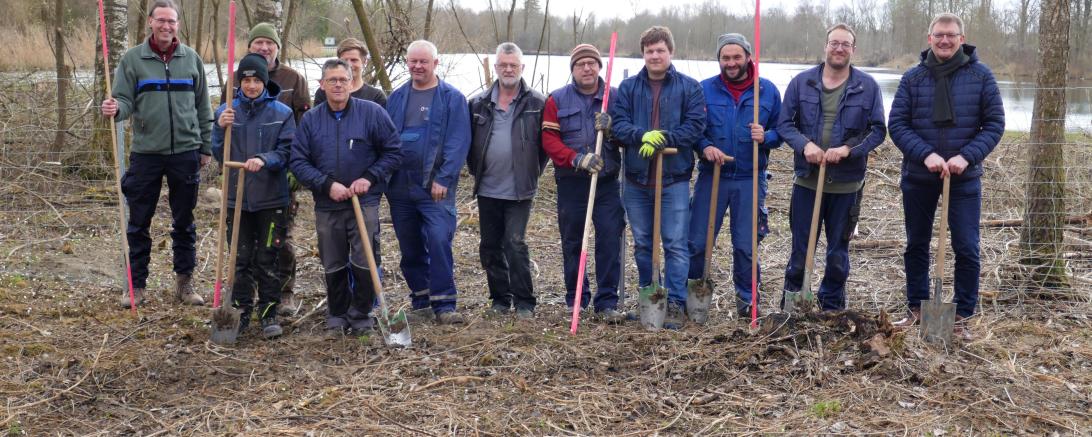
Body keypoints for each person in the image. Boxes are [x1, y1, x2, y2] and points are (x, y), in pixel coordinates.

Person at [889, 13, 1004, 339]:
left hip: (964, 178)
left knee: (967, 246)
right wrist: (926, 154)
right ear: (929, 39)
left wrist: (965, 157)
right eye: (939, 35)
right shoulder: (912, 78)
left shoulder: (981, 76)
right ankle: (918, 308)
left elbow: (994, 124)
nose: (944, 40)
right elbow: (897, 124)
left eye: (951, 35)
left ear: (961, 38)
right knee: (917, 244)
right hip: (919, 176)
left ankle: (961, 315)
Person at [101, 0, 211, 308]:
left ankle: (185, 283)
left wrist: (206, 146)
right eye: (161, 20)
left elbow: (203, 106)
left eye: (172, 21)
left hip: (186, 152)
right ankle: (136, 286)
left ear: (178, 24)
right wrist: (115, 108)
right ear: (150, 22)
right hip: (147, 153)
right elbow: (123, 101)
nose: (166, 26)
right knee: (139, 222)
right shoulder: (133, 60)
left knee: (185, 221)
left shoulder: (191, 59)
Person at [776, 24, 887, 312]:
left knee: (838, 253)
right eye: (834, 43)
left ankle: (832, 309)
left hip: (847, 185)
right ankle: (793, 307)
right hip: (807, 182)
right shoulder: (802, 83)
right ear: (825, 46)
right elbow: (785, 124)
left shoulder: (867, 87)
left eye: (845, 44)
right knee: (801, 251)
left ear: (853, 49)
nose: (839, 48)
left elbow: (877, 130)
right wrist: (804, 145)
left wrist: (849, 149)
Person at [288, 59, 403, 336]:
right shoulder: (312, 120)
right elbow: (298, 160)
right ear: (322, 85)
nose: (338, 85)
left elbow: (393, 151)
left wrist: (370, 178)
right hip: (328, 203)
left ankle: (361, 314)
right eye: (332, 80)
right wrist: (326, 185)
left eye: (343, 79)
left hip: (363, 201)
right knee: (333, 259)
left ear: (352, 83)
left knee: (364, 257)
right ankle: (337, 314)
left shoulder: (372, 113)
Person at [609, 26, 706, 328]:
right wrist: (642, 135)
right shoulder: (627, 88)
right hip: (636, 181)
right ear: (643, 54)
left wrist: (663, 138)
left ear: (670, 52)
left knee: (675, 244)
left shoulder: (689, 87)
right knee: (642, 243)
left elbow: (695, 126)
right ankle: (652, 295)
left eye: (660, 50)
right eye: (649, 51)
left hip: (673, 180)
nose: (654, 55)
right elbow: (618, 126)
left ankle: (675, 303)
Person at [687, 33, 783, 318]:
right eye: (725, 57)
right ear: (719, 59)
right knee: (697, 241)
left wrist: (766, 136)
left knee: (745, 244)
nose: (731, 63)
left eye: (736, 57)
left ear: (748, 57)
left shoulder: (766, 91)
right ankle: (692, 297)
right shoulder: (703, 90)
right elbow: (694, 131)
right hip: (712, 176)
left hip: (750, 178)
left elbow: (783, 131)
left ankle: (747, 301)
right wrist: (705, 147)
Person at [225, 22, 313, 315]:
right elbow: (224, 133)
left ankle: (283, 294)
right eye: (258, 42)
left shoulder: (293, 79)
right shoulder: (236, 78)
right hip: (243, 177)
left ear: (277, 47)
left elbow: (305, 124)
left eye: (269, 43)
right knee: (244, 246)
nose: (264, 47)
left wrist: (296, 166)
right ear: (250, 47)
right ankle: (244, 300)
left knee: (280, 239)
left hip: (281, 172)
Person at [385, 40, 472, 325]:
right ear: (407, 63)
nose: (418, 66)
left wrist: (444, 178)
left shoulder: (452, 98)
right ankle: (421, 298)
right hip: (400, 186)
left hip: (435, 187)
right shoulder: (396, 98)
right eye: (413, 61)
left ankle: (444, 303)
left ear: (436, 63)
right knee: (409, 244)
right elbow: (386, 140)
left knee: (438, 240)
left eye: (424, 61)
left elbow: (459, 142)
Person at [212, 53, 295, 339]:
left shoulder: (282, 114)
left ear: (265, 81)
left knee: (268, 257)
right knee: (240, 257)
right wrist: (220, 127)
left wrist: (265, 158)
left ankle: (269, 313)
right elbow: (215, 152)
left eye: (256, 80)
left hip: (271, 199)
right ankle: (240, 311)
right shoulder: (227, 112)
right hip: (237, 200)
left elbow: (287, 152)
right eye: (246, 80)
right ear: (239, 82)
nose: (250, 85)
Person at [541, 43, 625, 322]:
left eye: (592, 63)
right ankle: (576, 297)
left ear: (600, 67)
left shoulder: (614, 98)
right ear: (573, 70)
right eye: (580, 64)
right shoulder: (557, 99)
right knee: (573, 242)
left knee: (609, 239)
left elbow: (628, 135)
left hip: (607, 183)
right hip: (572, 183)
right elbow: (549, 140)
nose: (587, 68)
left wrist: (612, 129)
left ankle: (607, 302)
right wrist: (575, 158)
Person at [467, 43, 547, 319]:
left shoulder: (537, 103)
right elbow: (469, 145)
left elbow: (545, 147)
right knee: (490, 246)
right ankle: (500, 299)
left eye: (513, 65)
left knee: (514, 243)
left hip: (520, 190)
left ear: (522, 68)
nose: (508, 69)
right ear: (496, 68)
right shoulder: (478, 103)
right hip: (488, 188)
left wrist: (531, 172)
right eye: (503, 65)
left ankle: (525, 301)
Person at [314, 38, 387, 107]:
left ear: (364, 62)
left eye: (354, 60)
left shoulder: (376, 96)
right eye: (344, 60)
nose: (349, 65)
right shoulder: (324, 92)